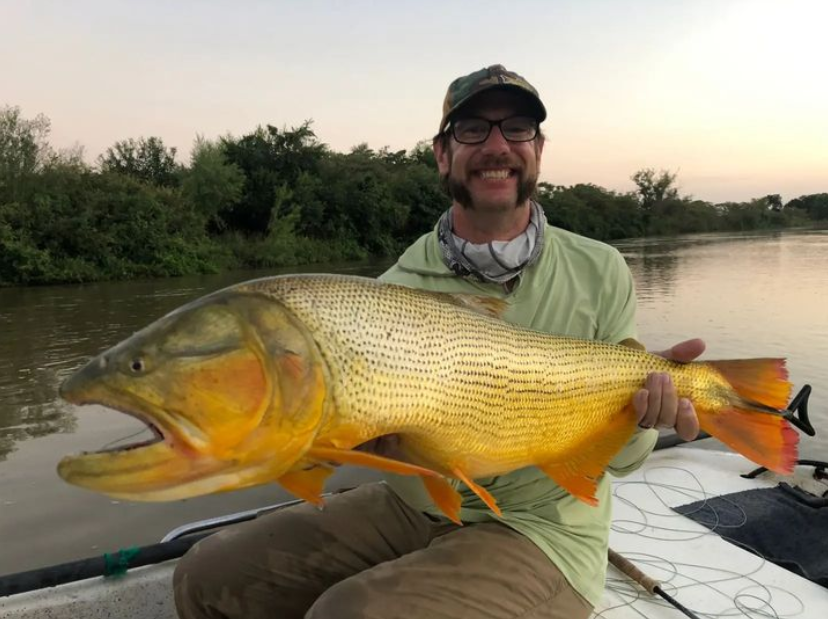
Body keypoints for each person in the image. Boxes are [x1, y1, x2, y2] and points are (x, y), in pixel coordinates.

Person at [173, 64, 704, 619]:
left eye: (517, 128)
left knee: (349, 613)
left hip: (543, 527)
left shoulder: (601, 269)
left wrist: (648, 419)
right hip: (415, 505)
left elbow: (617, 464)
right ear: (442, 153)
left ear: (538, 149)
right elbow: (347, 441)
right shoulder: (392, 291)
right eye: (472, 129)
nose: (497, 145)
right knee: (206, 575)